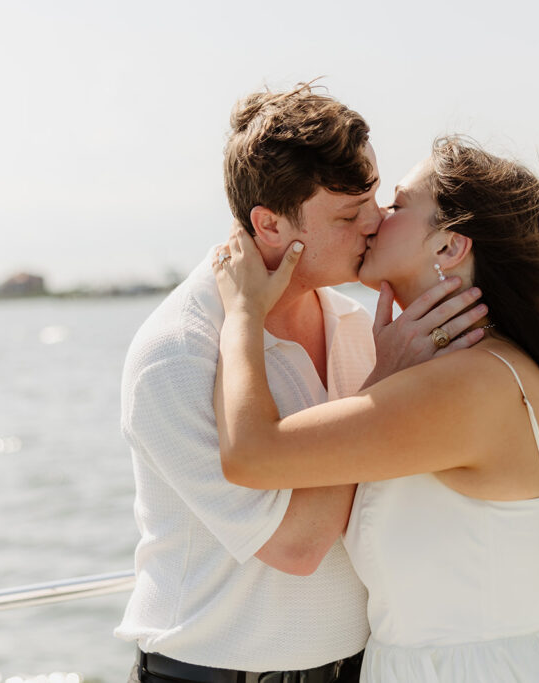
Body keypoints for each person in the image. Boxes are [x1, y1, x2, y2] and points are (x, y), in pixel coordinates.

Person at [212, 137, 539, 681]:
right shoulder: (469, 371)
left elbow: (251, 453)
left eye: (394, 206)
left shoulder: (470, 385)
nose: (372, 218)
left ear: (447, 248)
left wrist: (243, 311)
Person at [117, 86, 486, 683]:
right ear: (268, 224)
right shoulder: (178, 354)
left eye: (372, 198)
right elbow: (296, 546)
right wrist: (384, 383)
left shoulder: (355, 322)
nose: (375, 222)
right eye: (347, 215)